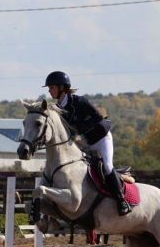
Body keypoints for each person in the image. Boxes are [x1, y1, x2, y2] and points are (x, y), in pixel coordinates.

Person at [43, 71, 131, 216]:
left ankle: (122, 200)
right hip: (85, 143)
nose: (49, 90)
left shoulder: (79, 101)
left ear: (61, 87)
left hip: (101, 138)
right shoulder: (57, 109)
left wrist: (79, 127)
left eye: (51, 87)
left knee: (107, 166)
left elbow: (97, 117)